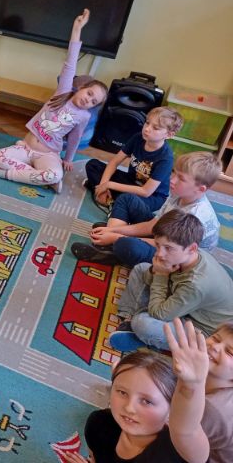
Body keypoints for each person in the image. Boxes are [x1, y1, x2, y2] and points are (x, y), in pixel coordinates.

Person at [0, 9, 107, 191]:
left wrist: (68, 159)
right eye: (89, 94)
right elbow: (70, 62)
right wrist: (77, 29)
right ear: (82, 88)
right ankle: (39, 177)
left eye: (94, 102)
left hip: (48, 155)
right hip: (25, 148)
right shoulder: (63, 91)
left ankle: (3, 173)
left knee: (55, 174)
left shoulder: (84, 116)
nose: (88, 100)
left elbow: (75, 138)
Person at [65, 318, 210, 463]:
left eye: (147, 401)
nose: (129, 407)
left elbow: (186, 431)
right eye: (122, 392)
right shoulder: (99, 424)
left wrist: (192, 385)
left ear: (171, 412)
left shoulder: (174, 451)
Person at [108, 209, 233, 353]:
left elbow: (159, 314)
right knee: (141, 269)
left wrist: (161, 274)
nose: (160, 254)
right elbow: (149, 278)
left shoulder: (196, 284)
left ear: (192, 248)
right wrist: (158, 273)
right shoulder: (188, 256)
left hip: (202, 329)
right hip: (186, 304)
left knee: (144, 324)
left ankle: (138, 329)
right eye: (158, 245)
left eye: (168, 248)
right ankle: (129, 321)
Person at [72, 151, 222, 266]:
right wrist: (114, 231)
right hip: (164, 235)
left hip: (173, 258)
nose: (172, 179)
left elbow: (165, 246)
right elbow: (154, 225)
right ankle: (111, 240)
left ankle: (113, 251)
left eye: (181, 178)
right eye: (174, 173)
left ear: (201, 189)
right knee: (126, 198)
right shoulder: (179, 194)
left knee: (127, 245)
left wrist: (118, 237)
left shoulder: (194, 216)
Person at [83, 106, 182, 216]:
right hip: (131, 182)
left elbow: (146, 192)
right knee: (93, 165)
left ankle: (108, 198)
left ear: (169, 134)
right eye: (147, 123)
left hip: (151, 196)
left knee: (129, 199)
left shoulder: (166, 158)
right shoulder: (138, 138)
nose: (147, 129)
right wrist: (103, 185)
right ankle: (109, 198)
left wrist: (109, 185)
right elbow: (114, 162)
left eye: (156, 128)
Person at [202, 322, 233, 463]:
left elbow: (172, 436)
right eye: (215, 338)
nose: (215, 346)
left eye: (230, 352)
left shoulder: (212, 407)